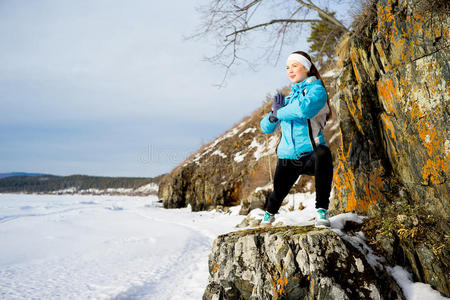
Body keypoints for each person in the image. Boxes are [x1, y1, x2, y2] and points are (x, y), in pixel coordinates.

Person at [259, 51, 333, 228]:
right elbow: (267, 128)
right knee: (278, 193)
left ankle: (321, 211)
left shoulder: (317, 90)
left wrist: (279, 112)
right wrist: (272, 116)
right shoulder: (289, 98)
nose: (290, 70)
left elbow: (304, 109)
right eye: (287, 68)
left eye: (294, 66)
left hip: (310, 154)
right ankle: (268, 215)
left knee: (323, 154)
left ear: (306, 68)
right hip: (287, 157)